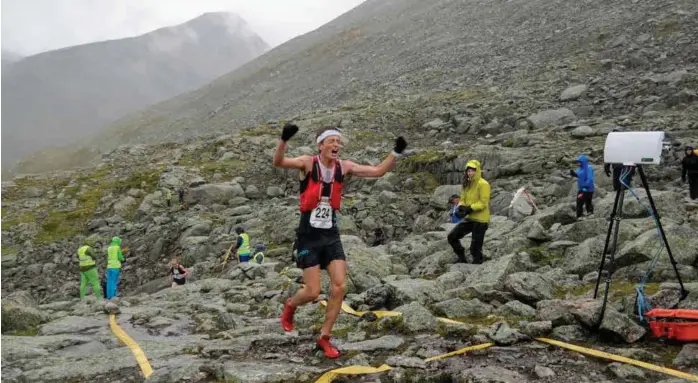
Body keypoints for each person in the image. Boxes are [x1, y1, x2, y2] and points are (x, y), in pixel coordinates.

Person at [273, 123, 407, 358]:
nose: (337, 145)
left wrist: (395, 153)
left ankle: (324, 338)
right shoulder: (307, 163)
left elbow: (377, 171)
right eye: (332, 141)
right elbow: (279, 162)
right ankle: (291, 306)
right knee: (313, 292)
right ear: (321, 145)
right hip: (308, 235)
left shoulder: (344, 167)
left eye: (339, 141)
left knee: (340, 286)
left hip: (331, 234)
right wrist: (283, 140)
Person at [447, 160, 490, 264]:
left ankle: (477, 264)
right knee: (452, 236)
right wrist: (461, 208)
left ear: (477, 170)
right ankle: (462, 258)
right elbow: (463, 199)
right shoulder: (467, 183)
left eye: (472, 171)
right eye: (468, 171)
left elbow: (483, 202)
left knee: (475, 248)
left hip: (481, 220)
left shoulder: (483, 184)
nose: (470, 173)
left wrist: (469, 208)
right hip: (470, 218)